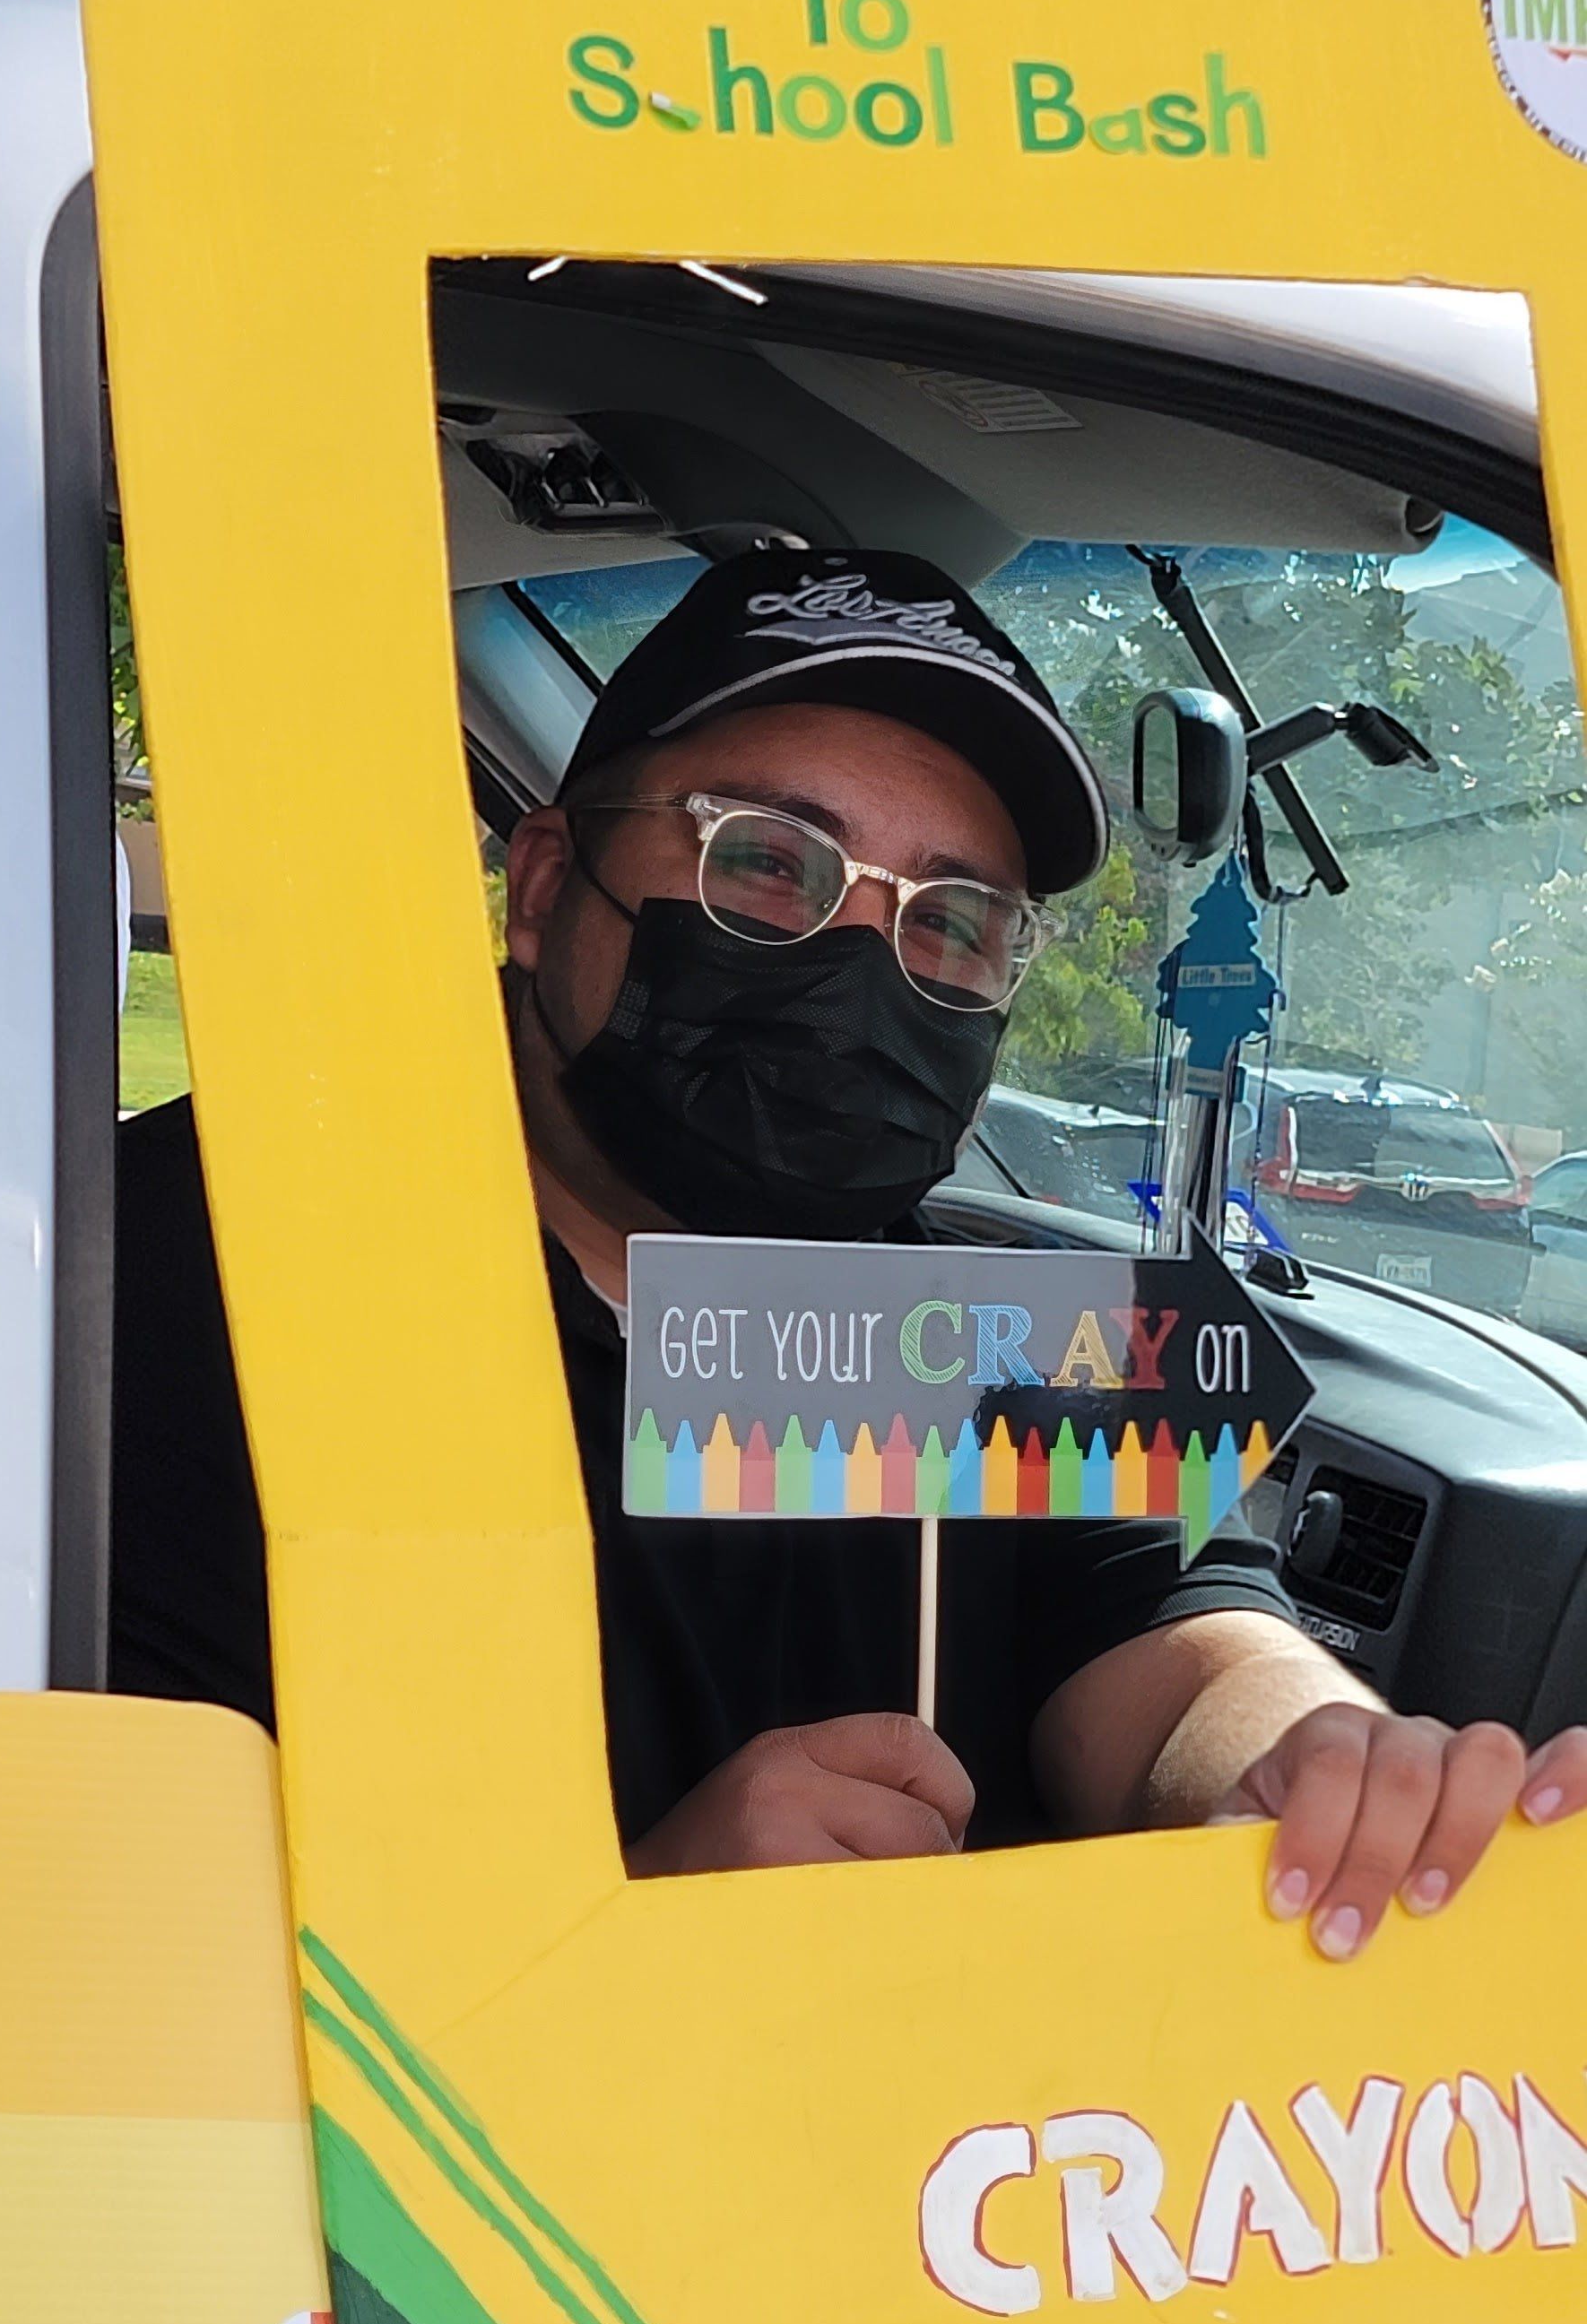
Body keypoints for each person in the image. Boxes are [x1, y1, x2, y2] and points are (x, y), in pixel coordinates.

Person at [110, 546, 1587, 1950]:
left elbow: (1183, 1652)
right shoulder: (164, 1286)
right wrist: (622, 1919)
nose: (864, 958)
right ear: (546, 886)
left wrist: (1312, 1769)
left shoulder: (1010, 1330)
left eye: (953, 922)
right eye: (768, 862)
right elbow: (121, 1954)